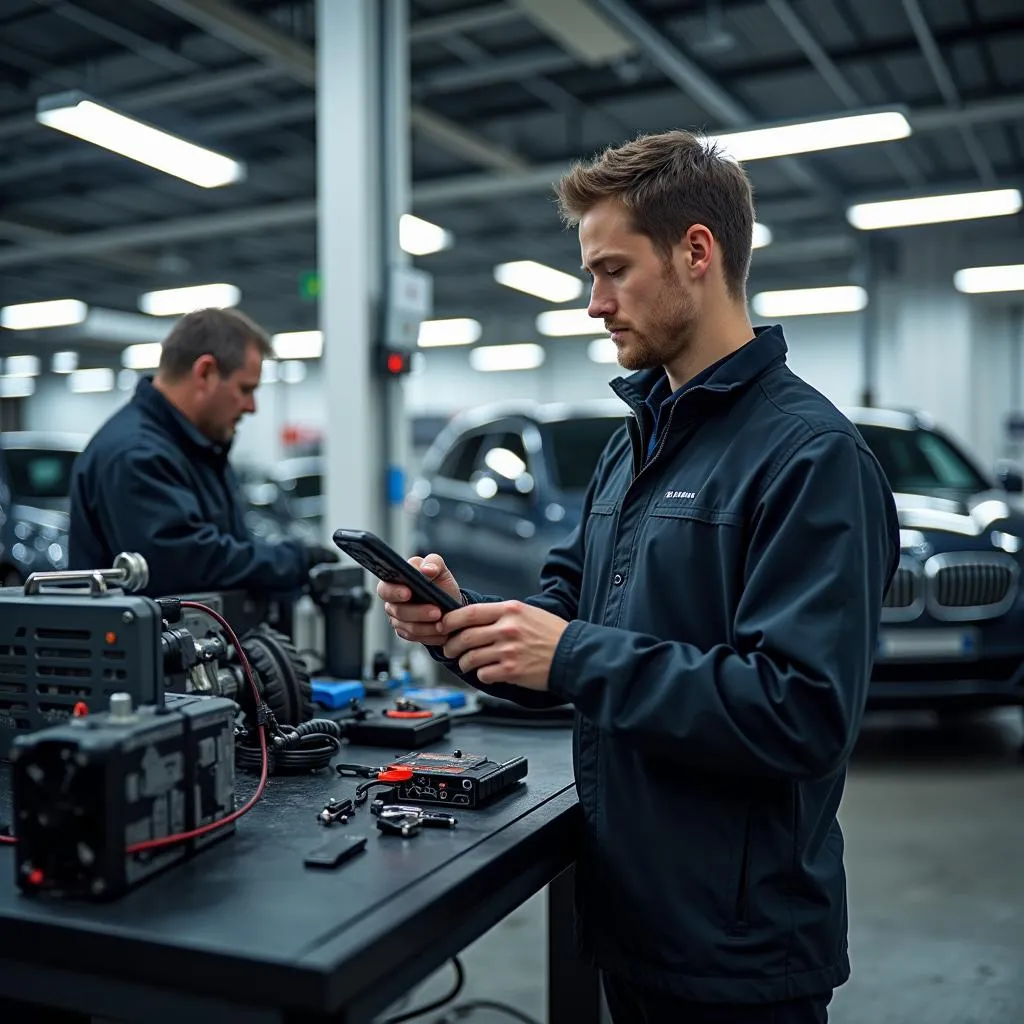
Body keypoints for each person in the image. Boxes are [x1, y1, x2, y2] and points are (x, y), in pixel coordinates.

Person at [378, 130, 900, 1023]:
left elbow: (801, 712)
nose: (594, 304)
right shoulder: (637, 446)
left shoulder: (810, 457)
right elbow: (571, 612)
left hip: (737, 948)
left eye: (613, 270)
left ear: (697, 252)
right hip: (632, 912)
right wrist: (463, 625)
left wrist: (571, 655)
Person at [69, 307, 336, 597]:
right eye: (245, 389)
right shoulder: (137, 453)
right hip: (143, 641)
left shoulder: (195, 447)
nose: (252, 406)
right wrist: (294, 559)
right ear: (205, 372)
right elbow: (186, 563)